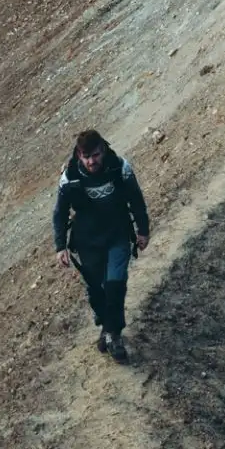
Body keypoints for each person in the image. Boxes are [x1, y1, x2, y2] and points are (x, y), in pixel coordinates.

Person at [51, 129, 150, 362]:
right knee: (97, 290)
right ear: (78, 154)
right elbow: (60, 213)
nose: (91, 161)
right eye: (86, 157)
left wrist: (143, 230)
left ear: (102, 150)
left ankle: (115, 337)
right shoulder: (70, 178)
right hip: (87, 242)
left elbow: (136, 200)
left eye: (95, 155)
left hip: (118, 236)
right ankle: (106, 327)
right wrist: (60, 246)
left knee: (115, 285)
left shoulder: (120, 169)